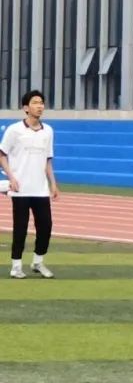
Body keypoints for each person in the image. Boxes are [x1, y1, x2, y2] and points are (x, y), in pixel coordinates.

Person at [0, 90, 60, 279]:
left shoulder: (48, 131)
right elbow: (2, 154)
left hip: (40, 189)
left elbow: (48, 160)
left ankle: (38, 262)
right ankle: (16, 266)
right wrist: (12, 177)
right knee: (20, 228)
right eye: (35, 103)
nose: (39, 106)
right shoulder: (14, 130)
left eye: (41, 102)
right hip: (20, 189)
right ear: (26, 108)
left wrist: (53, 184)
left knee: (46, 226)